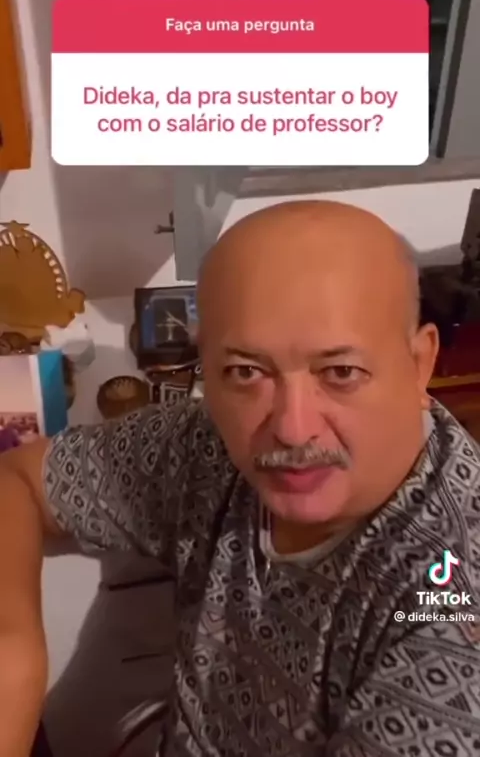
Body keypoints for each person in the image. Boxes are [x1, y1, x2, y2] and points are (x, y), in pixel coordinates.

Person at [1, 200, 479, 757]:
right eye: (247, 371)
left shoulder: (449, 615)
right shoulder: (205, 444)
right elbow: (20, 479)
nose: (293, 429)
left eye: (341, 372)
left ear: (419, 364)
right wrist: (14, 653)